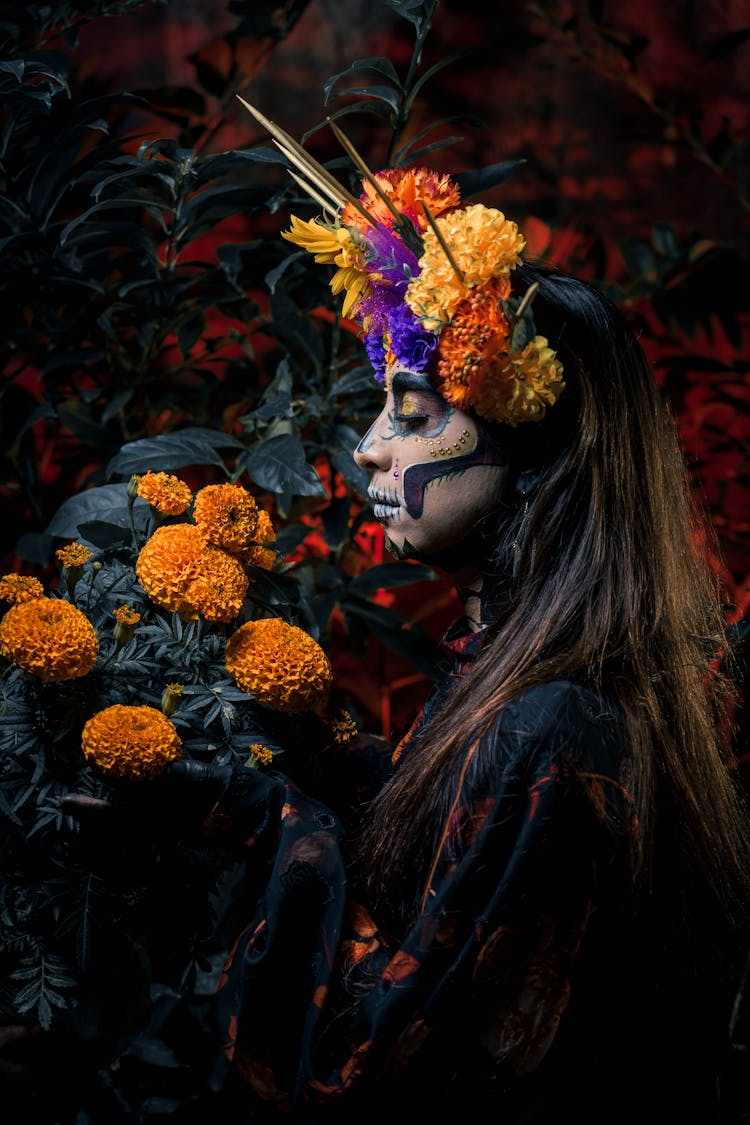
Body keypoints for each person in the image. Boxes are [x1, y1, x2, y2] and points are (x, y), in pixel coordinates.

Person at [189, 122, 750, 1125]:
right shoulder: (512, 682)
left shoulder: (554, 726)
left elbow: (370, 1066)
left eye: (412, 410)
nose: (367, 450)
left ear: (536, 450)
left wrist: (276, 821)